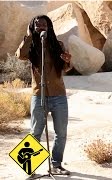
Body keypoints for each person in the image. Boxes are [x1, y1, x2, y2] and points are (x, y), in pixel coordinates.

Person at [15, 15, 72, 175]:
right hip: (38, 95)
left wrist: (68, 61)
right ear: (33, 27)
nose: (41, 27)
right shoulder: (31, 46)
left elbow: (65, 69)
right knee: (35, 132)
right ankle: (29, 169)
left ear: (49, 27)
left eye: (44, 24)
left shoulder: (58, 45)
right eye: (37, 25)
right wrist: (29, 35)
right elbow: (20, 55)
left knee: (61, 133)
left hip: (58, 96)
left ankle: (56, 165)